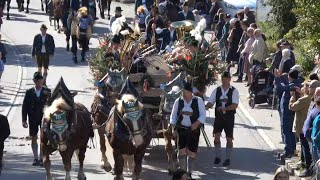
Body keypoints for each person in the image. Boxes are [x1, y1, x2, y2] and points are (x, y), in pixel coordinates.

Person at [170, 82, 206, 177]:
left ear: (190, 92)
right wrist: (174, 127)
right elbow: (173, 115)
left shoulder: (198, 100)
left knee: (192, 152)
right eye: (183, 91)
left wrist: (196, 123)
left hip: (193, 130)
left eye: (185, 91)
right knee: (181, 151)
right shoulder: (178, 101)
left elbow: (203, 115)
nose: (183, 93)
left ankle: (189, 172)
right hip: (181, 129)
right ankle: (183, 173)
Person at [206, 71, 239, 166]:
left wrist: (225, 108)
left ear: (229, 79)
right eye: (223, 79)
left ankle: (227, 158)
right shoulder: (217, 90)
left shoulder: (234, 91)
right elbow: (211, 102)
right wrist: (205, 106)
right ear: (221, 79)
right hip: (219, 117)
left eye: (227, 79)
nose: (225, 80)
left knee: (229, 139)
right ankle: (218, 156)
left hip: (229, 117)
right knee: (216, 137)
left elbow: (235, 105)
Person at [22, 72, 51, 166]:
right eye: (37, 80)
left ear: (42, 80)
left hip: (44, 118)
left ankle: (42, 158)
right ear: (34, 81)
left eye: (40, 80)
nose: (39, 82)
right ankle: (35, 158)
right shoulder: (29, 92)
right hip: (33, 117)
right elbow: (25, 106)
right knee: (34, 137)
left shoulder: (47, 91)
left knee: (43, 138)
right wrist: (24, 120)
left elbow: (52, 106)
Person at [275, 69, 303, 159]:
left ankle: (289, 151)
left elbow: (280, 89)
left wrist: (277, 78)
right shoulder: (297, 83)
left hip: (288, 112)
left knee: (287, 131)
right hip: (290, 112)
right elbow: (285, 85)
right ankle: (292, 149)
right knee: (291, 131)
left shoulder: (292, 85)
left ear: (289, 77)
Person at [289, 81, 313, 177]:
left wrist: (292, 96)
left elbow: (291, 107)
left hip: (302, 126)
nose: (302, 87)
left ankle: (307, 167)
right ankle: (303, 163)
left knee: (305, 147)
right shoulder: (310, 98)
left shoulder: (304, 99)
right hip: (306, 126)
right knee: (304, 146)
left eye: (304, 86)